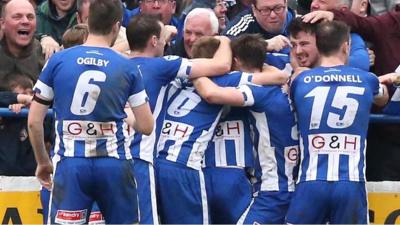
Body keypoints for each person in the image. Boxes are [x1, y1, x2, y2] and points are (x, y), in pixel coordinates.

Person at [28, 0, 153, 224]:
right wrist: (124, 112)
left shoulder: (58, 60)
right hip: (114, 165)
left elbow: (34, 122)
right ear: (117, 25)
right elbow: (146, 126)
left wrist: (43, 162)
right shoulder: (126, 66)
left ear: (85, 21)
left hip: (71, 163)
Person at [125, 14, 233, 224]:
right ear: (154, 41)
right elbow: (222, 65)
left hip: (115, 156)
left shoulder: (117, 63)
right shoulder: (163, 65)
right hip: (141, 158)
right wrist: (226, 40)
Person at [286, 21, 388, 224]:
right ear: (346, 46)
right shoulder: (367, 80)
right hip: (350, 183)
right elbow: (382, 97)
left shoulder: (299, 81)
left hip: (310, 182)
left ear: (318, 45)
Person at [192, 34, 298, 224]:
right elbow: (275, 72)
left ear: (235, 61)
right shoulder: (286, 84)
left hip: (273, 188)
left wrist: (195, 72)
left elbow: (211, 93)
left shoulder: (256, 90)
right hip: (291, 183)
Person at [307, 0, 370, 71]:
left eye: (322, 2)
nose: (314, 5)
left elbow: (361, 64)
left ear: (342, 10)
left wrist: (309, 66)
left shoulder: (351, 38)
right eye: (313, 0)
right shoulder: (299, 28)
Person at [0, 0, 45, 91]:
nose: (25, 21)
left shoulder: (46, 54)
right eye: (17, 17)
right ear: (2, 23)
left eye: (30, 17)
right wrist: (15, 98)